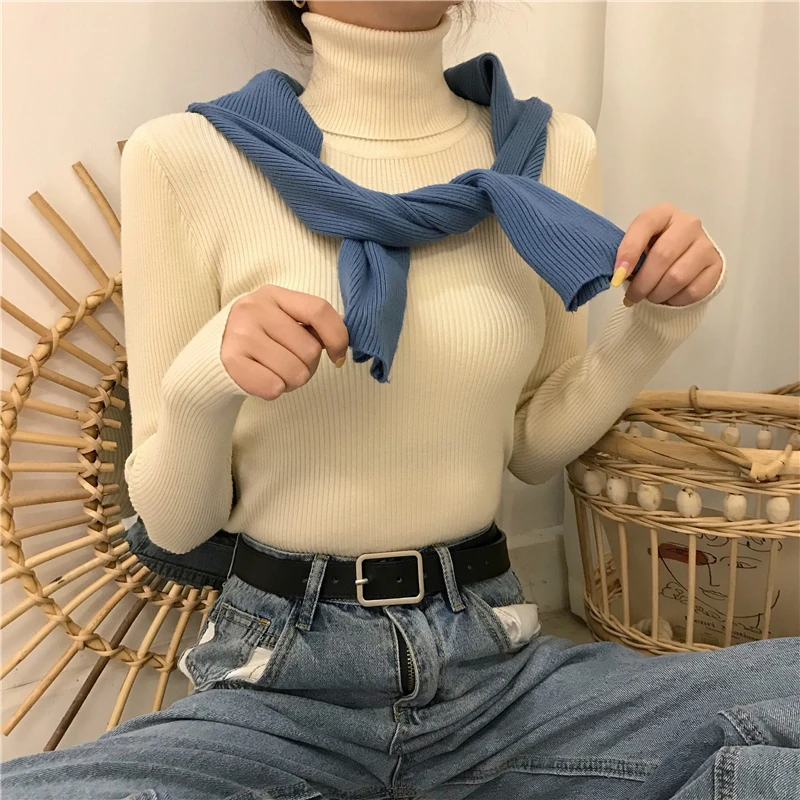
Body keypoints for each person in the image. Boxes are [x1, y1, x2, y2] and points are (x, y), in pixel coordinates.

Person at [4, 2, 798, 799]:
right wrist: (205, 378)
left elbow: (531, 446)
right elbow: (177, 526)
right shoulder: (185, 156)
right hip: (281, 682)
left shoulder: (551, 150)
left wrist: (658, 323)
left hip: (496, 673)